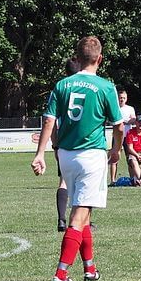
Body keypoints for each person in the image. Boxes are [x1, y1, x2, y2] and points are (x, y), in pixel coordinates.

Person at [31, 36, 124, 281]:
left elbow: (49, 120)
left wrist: (40, 154)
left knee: (85, 210)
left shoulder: (62, 85)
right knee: (78, 214)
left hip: (66, 155)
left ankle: (90, 269)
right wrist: (116, 150)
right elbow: (118, 126)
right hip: (91, 155)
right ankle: (60, 274)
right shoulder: (105, 87)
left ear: (77, 57)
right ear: (100, 59)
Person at [53, 57, 83, 231]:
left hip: (64, 144)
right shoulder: (88, 88)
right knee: (83, 184)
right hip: (84, 143)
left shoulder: (60, 88)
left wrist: (55, 146)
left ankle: (62, 220)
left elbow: (50, 121)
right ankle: (81, 221)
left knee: (63, 182)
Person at [109, 90, 136, 184]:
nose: (122, 99)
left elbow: (133, 119)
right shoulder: (114, 108)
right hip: (117, 136)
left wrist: (125, 121)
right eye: (120, 98)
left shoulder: (130, 108)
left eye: (123, 98)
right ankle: (113, 180)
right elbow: (110, 120)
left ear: (126, 99)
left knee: (130, 157)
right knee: (114, 157)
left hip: (128, 136)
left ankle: (132, 179)